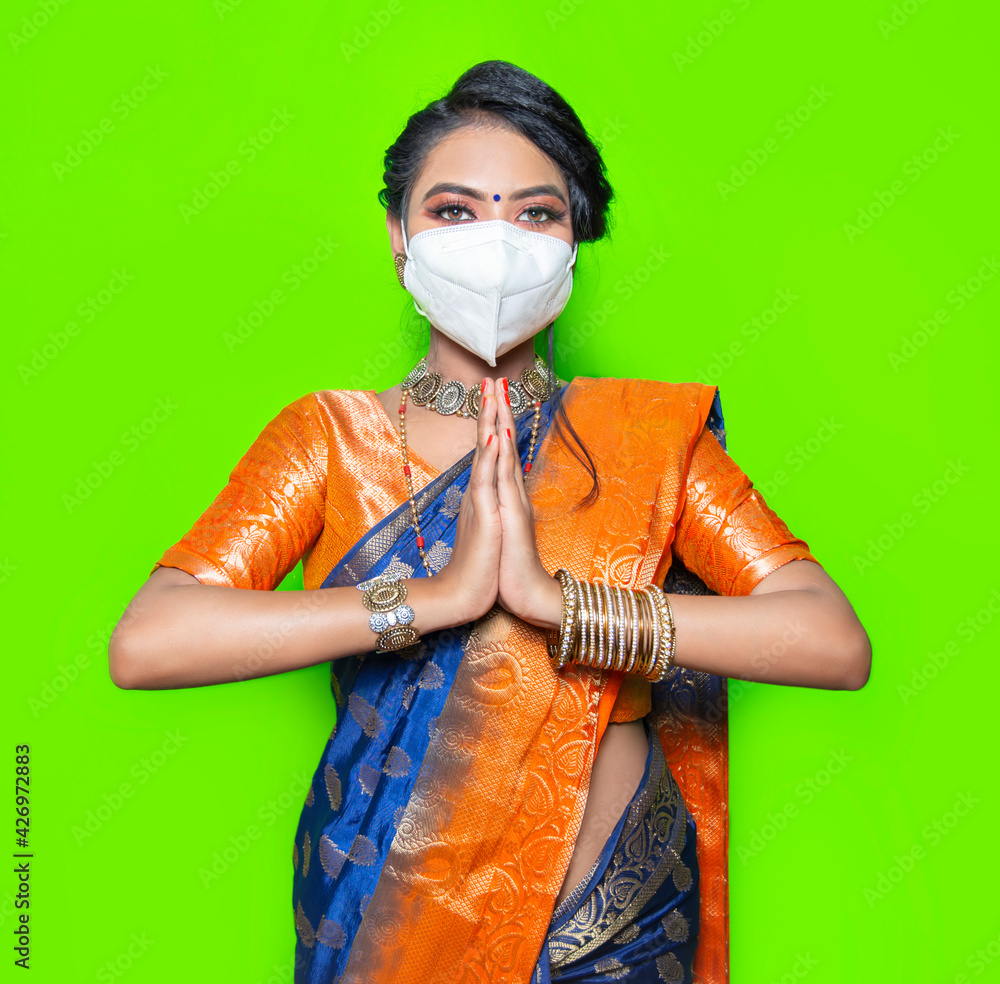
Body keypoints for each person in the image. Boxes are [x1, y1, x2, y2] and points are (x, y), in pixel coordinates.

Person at [109, 60, 871, 984]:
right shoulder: (333, 436)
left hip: (620, 923)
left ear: (577, 239)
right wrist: (437, 597)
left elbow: (829, 641)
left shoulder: (646, 438)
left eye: (537, 213)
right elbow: (149, 642)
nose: (498, 242)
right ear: (399, 236)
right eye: (456, 211)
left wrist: (561, 606)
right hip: (393, 918)